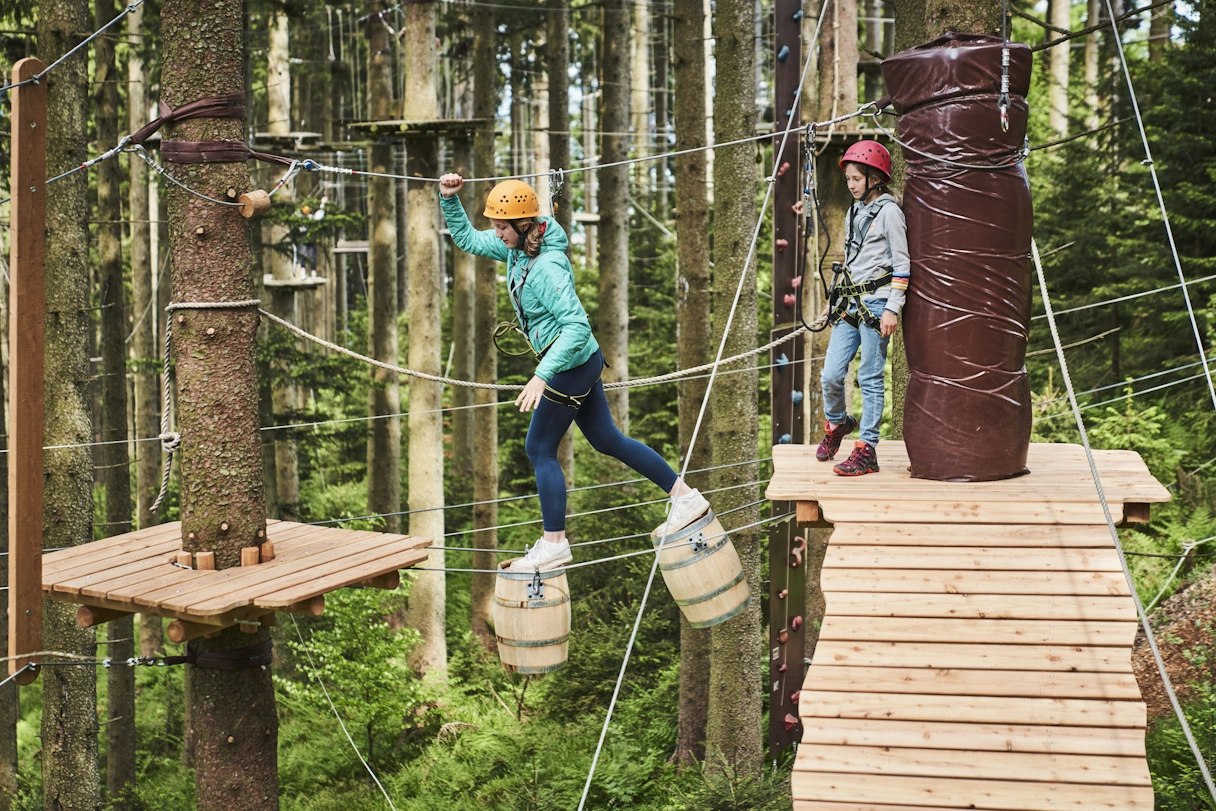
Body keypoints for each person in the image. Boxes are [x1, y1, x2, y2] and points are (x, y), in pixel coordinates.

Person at [438, 174, 710, 571]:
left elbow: (577, 326)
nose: (495, 233)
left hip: (569, 364)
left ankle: (554, 545)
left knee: (539, 449)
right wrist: (448, 198)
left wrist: (542, 375)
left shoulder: (547, 266)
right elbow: (466, 239)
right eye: (495, 225)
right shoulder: (517, 250)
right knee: (607, 439)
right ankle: (686, 497)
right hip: (577, 361)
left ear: (523, 224)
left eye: (501, 226)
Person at [814, 141, 910, 476]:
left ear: (874, 178)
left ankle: (867, 449)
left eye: (857, 178)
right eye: (849, 179)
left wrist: (893, 308)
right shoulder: (854, 212)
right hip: (849, 304)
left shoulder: (890, 214)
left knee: (869, 377)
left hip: (878, 304)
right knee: (831, 374)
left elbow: (902, 264)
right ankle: (839, 423)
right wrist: (832, 304)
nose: (851, 184)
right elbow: (848, 263)